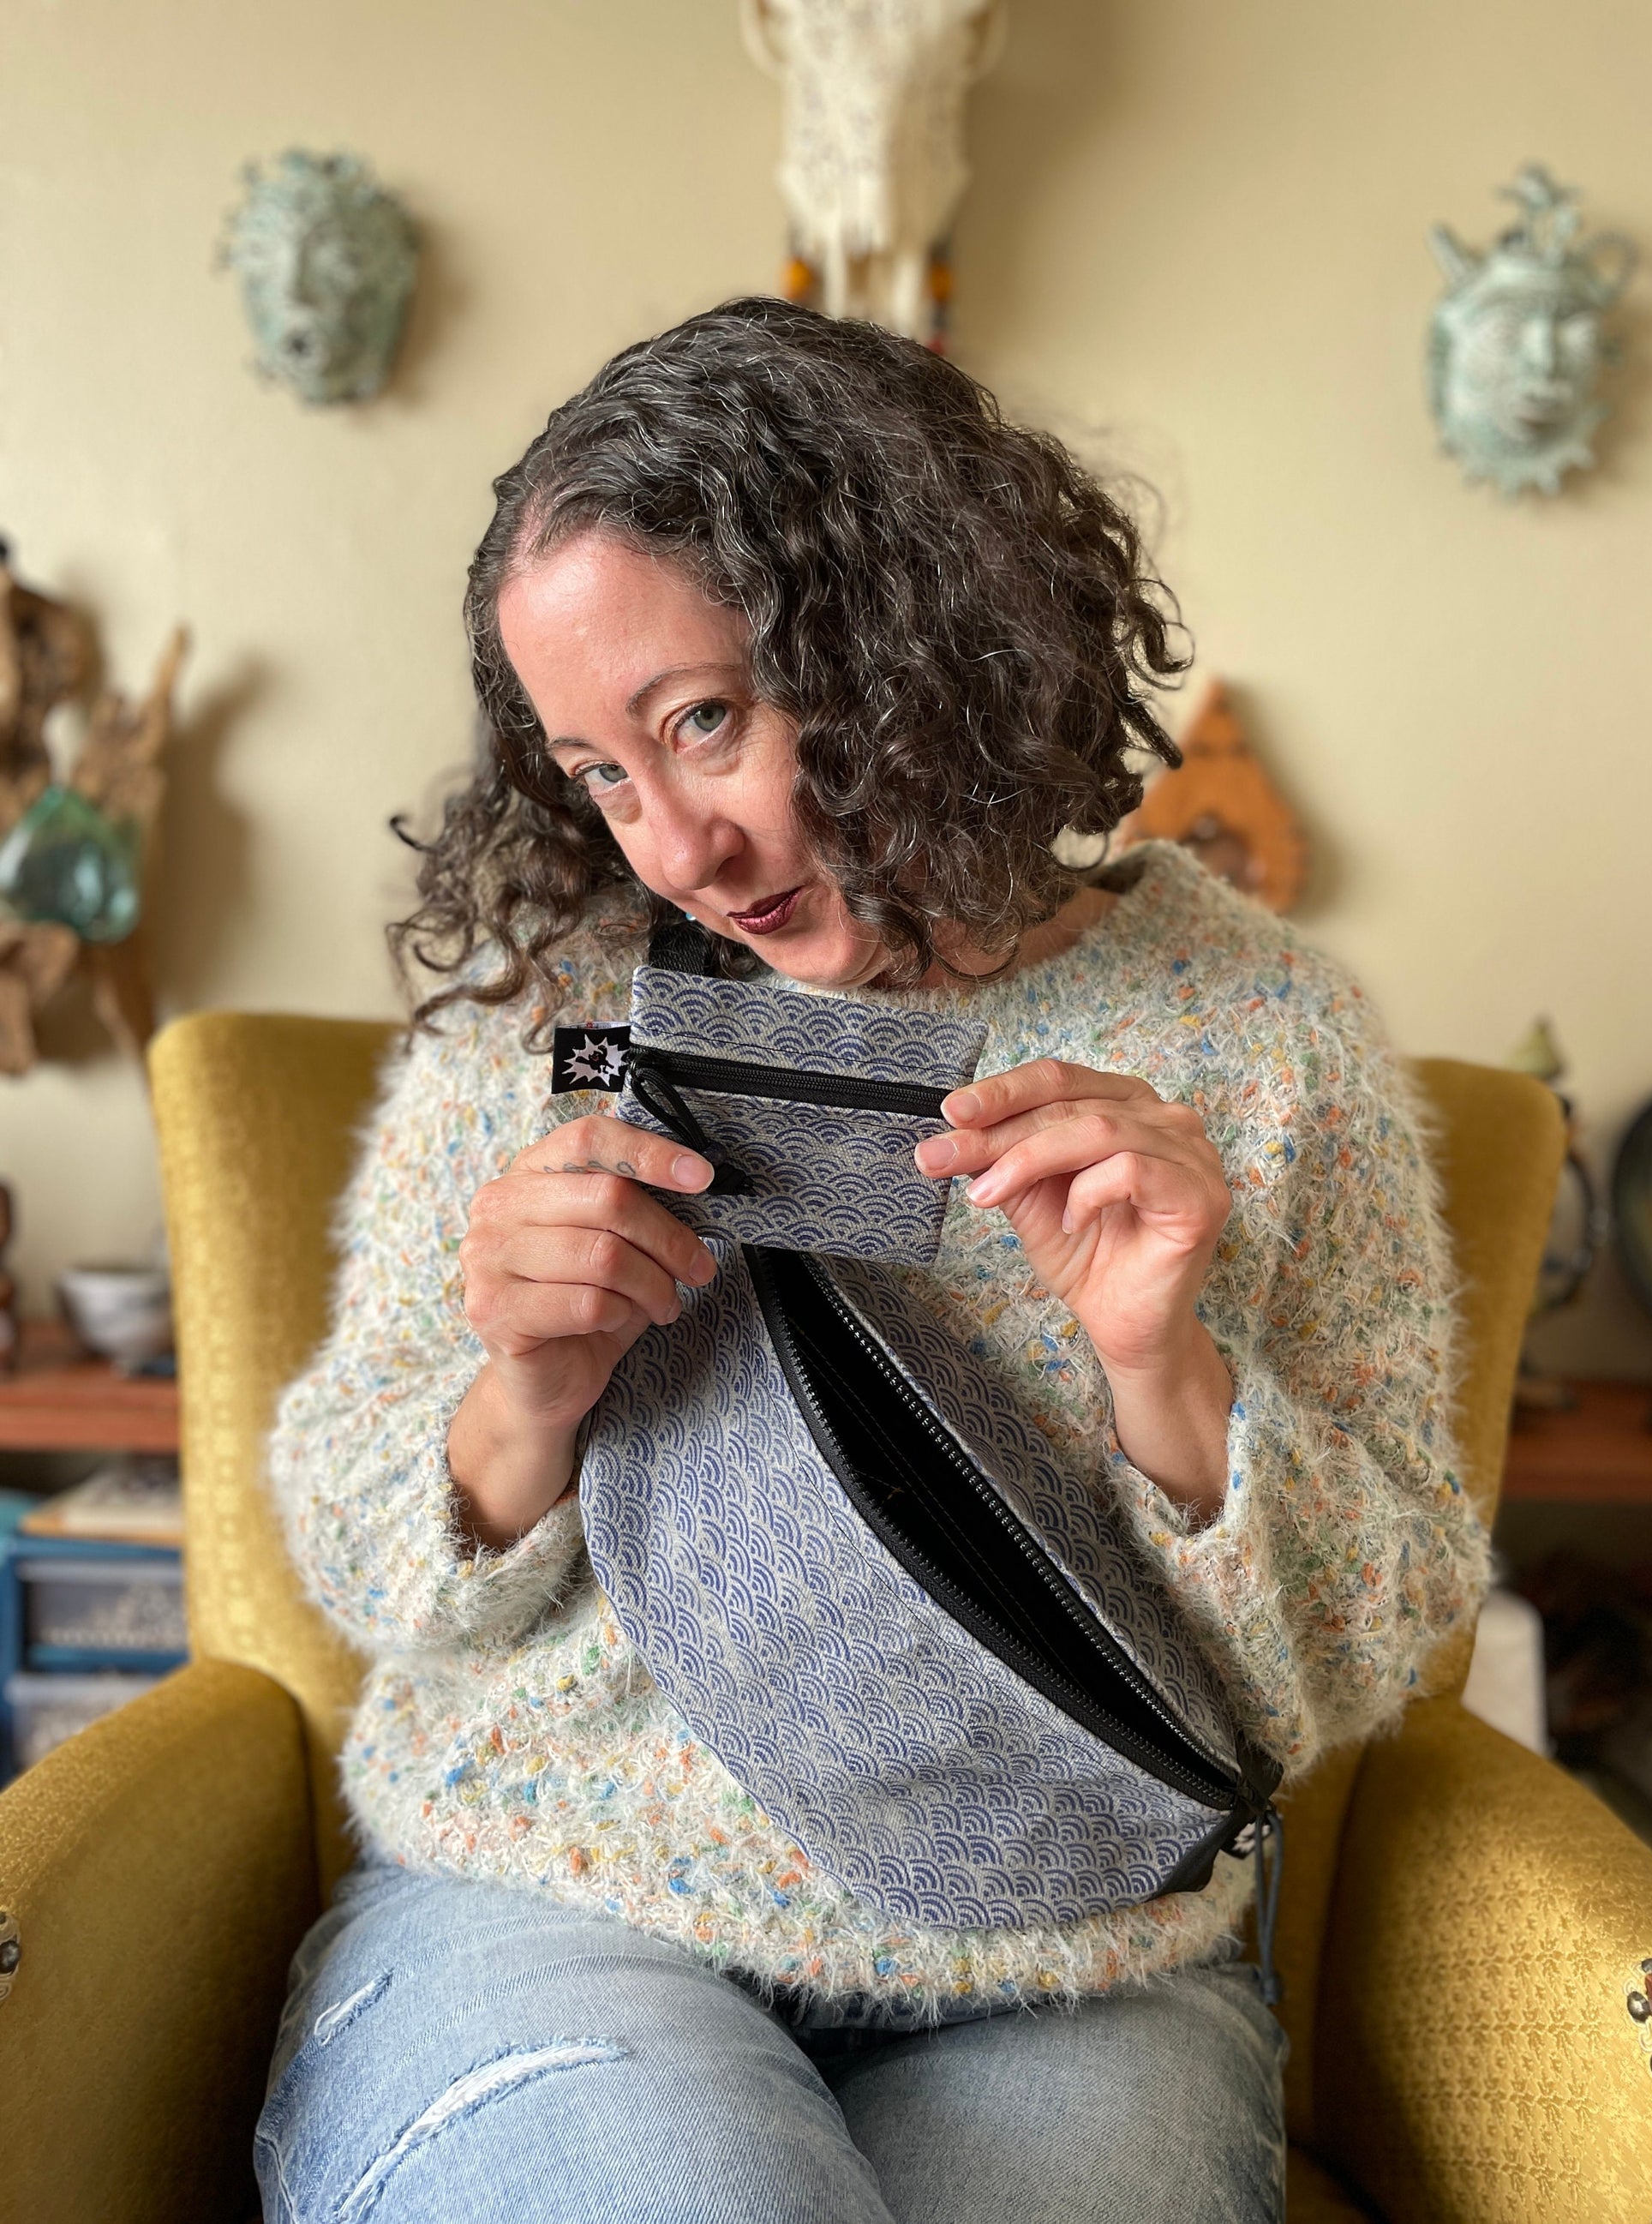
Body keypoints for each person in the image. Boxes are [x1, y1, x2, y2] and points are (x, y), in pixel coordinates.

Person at [256, 299, 1488, 2224]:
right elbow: (348, 1544)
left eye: (701, 719)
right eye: (593, 769)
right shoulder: (545, 1015)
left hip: (1070, 1961)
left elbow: (1378, 1634)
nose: (668, 842)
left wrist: (1170, 1375)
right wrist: (523, 1392)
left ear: (903, 644)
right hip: (557, 1897)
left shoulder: (1265, 1041)